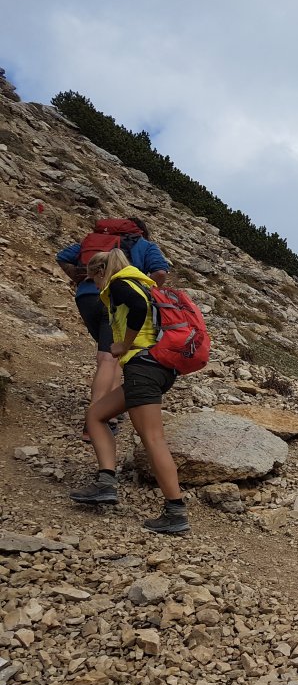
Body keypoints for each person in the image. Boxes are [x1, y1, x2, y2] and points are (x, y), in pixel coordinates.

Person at [69, 248, 189, 534]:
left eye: (94, 280)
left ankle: (176, 512)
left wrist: (124, 344)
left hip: (143, 367)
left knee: (152, 438)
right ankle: (105, 482)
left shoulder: (121, 283)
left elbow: (137, 307)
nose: (95, 286)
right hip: (156, 368)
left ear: (100, 272)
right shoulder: (141, 281)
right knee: (96, 415)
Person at [57, 218, 170, 441]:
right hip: (118, 301)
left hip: (86, 297)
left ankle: (111, 412)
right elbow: (161, 273)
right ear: (142, 232)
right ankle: (95, 420)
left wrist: (81, 278)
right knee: (109, 358)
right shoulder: (144, 245)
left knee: (113, 353)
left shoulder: (95, 240)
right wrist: (142, 290)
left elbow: (62, 257)